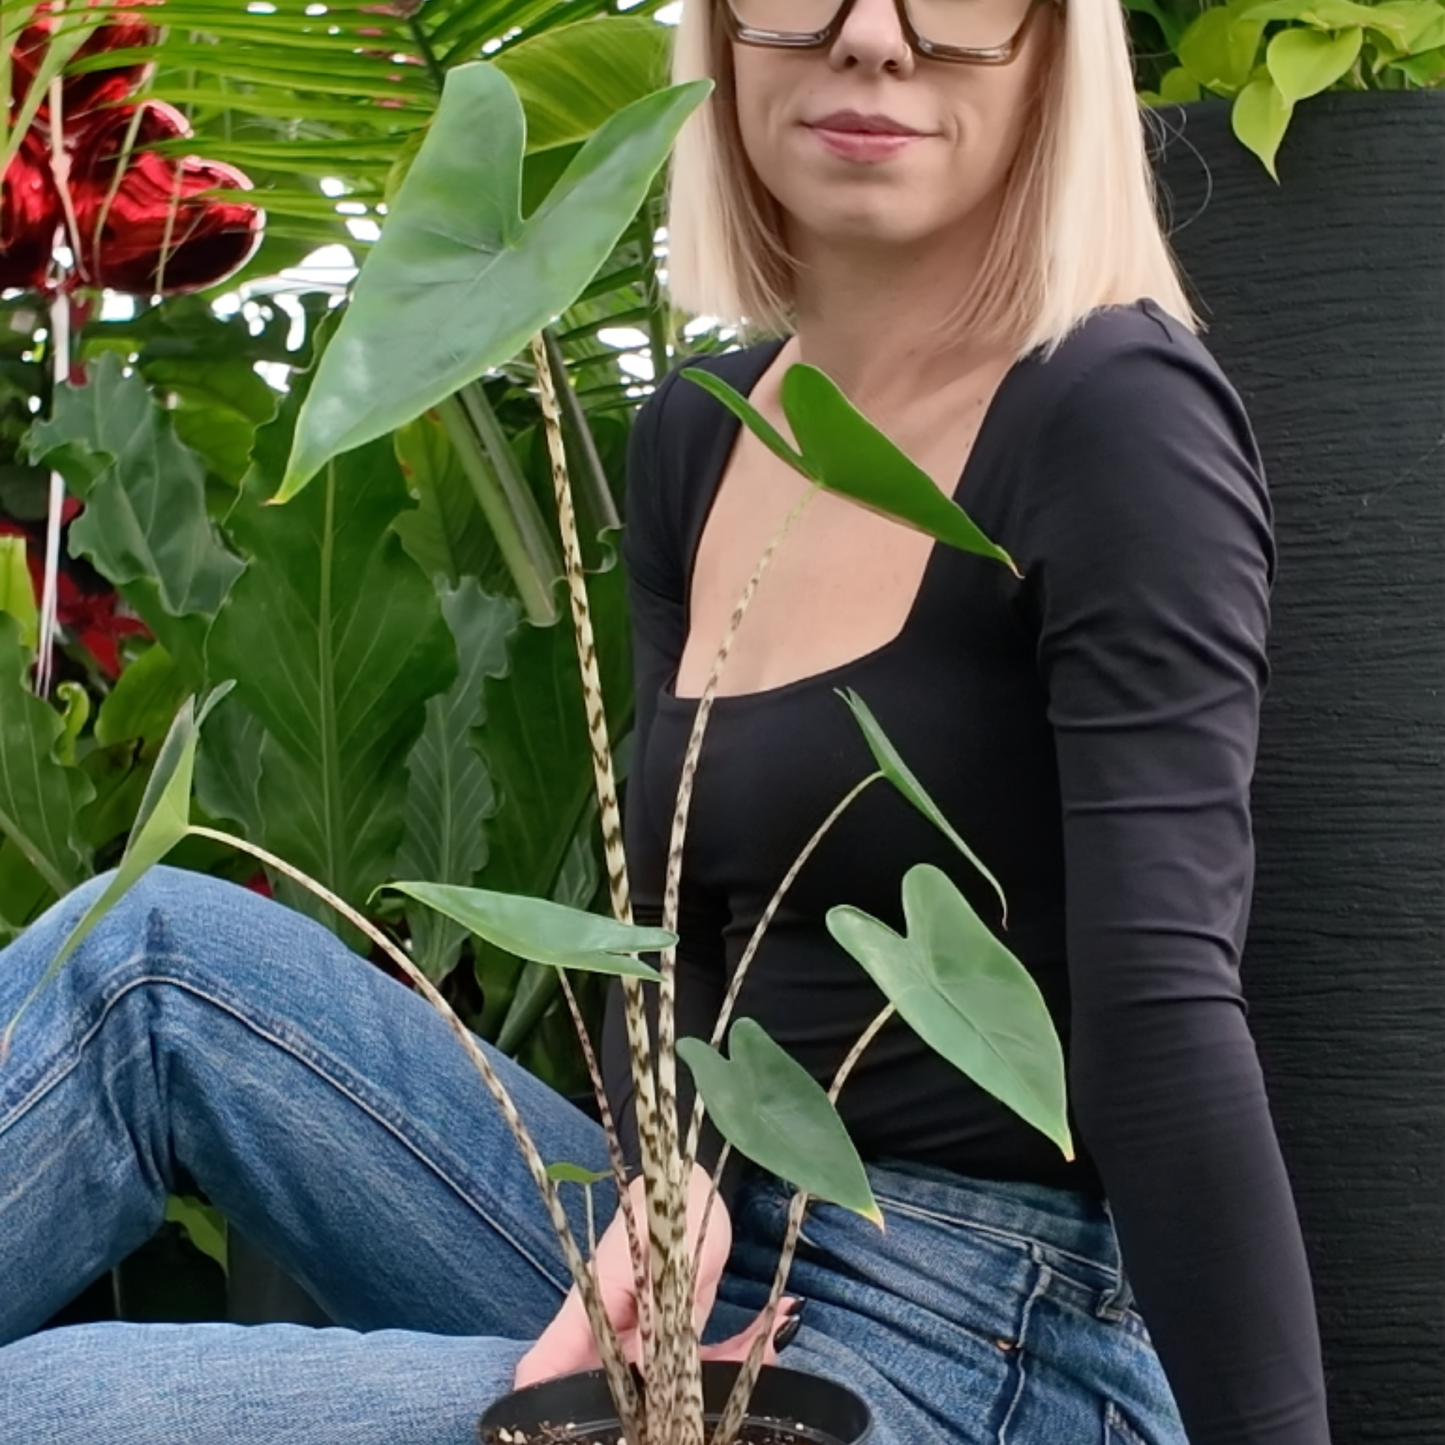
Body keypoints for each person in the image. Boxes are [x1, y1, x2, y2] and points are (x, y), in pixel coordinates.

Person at [0, 0, 1332, 1440]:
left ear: (1051, 48)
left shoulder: (1115, 411)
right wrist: (667, 1182)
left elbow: (1165, 1013)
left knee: (54, 1410)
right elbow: (674, 936)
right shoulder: (702, 429)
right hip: (718, 1253)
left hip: (978, 1342)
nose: (869, 40)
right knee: (146, 963)